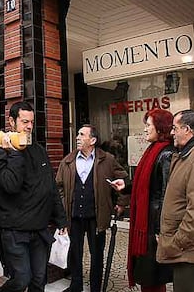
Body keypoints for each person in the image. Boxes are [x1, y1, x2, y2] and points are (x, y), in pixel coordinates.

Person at [0, 101, 68, 292]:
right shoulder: (0, 153)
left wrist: (61, 219)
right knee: (21, 279)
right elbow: (10, 185)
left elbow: (50, 187)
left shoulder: (39, 150)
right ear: (11, 122)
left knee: (39, 280)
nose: (30, 126)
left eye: (31, 122)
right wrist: (14, 153)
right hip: (14, 230)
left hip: (40, 230)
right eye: (24, 122)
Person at [56, 124, 128, 292]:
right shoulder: (68, 161)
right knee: (75, 252)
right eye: (78, 134)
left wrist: (121, 203)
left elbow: (124, 180)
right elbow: (58, 186)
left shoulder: (107, 160)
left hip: (97, 216)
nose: (77, 138)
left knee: (97, 255)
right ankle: (76, 285)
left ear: (93, 140)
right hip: (74, 216)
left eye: (82, 135)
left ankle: (96, 287)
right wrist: (64, 203)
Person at [156, 110, 194, 292]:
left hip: (187, 248)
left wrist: (178, 241)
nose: (171, 133)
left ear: (187, 129)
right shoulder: (187, 153)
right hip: (183, 247)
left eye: (175, 128)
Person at [127, 109, 174, 292]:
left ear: (160, 127)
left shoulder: (166, 154)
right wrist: (126, 185)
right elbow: (146, 185)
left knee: (153, 278)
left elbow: (165, 195)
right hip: (146, 225)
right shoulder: (153, 150)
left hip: (152, 227)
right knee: (148, 276)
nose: (145, 129)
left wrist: (160, 230)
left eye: (148, 125)